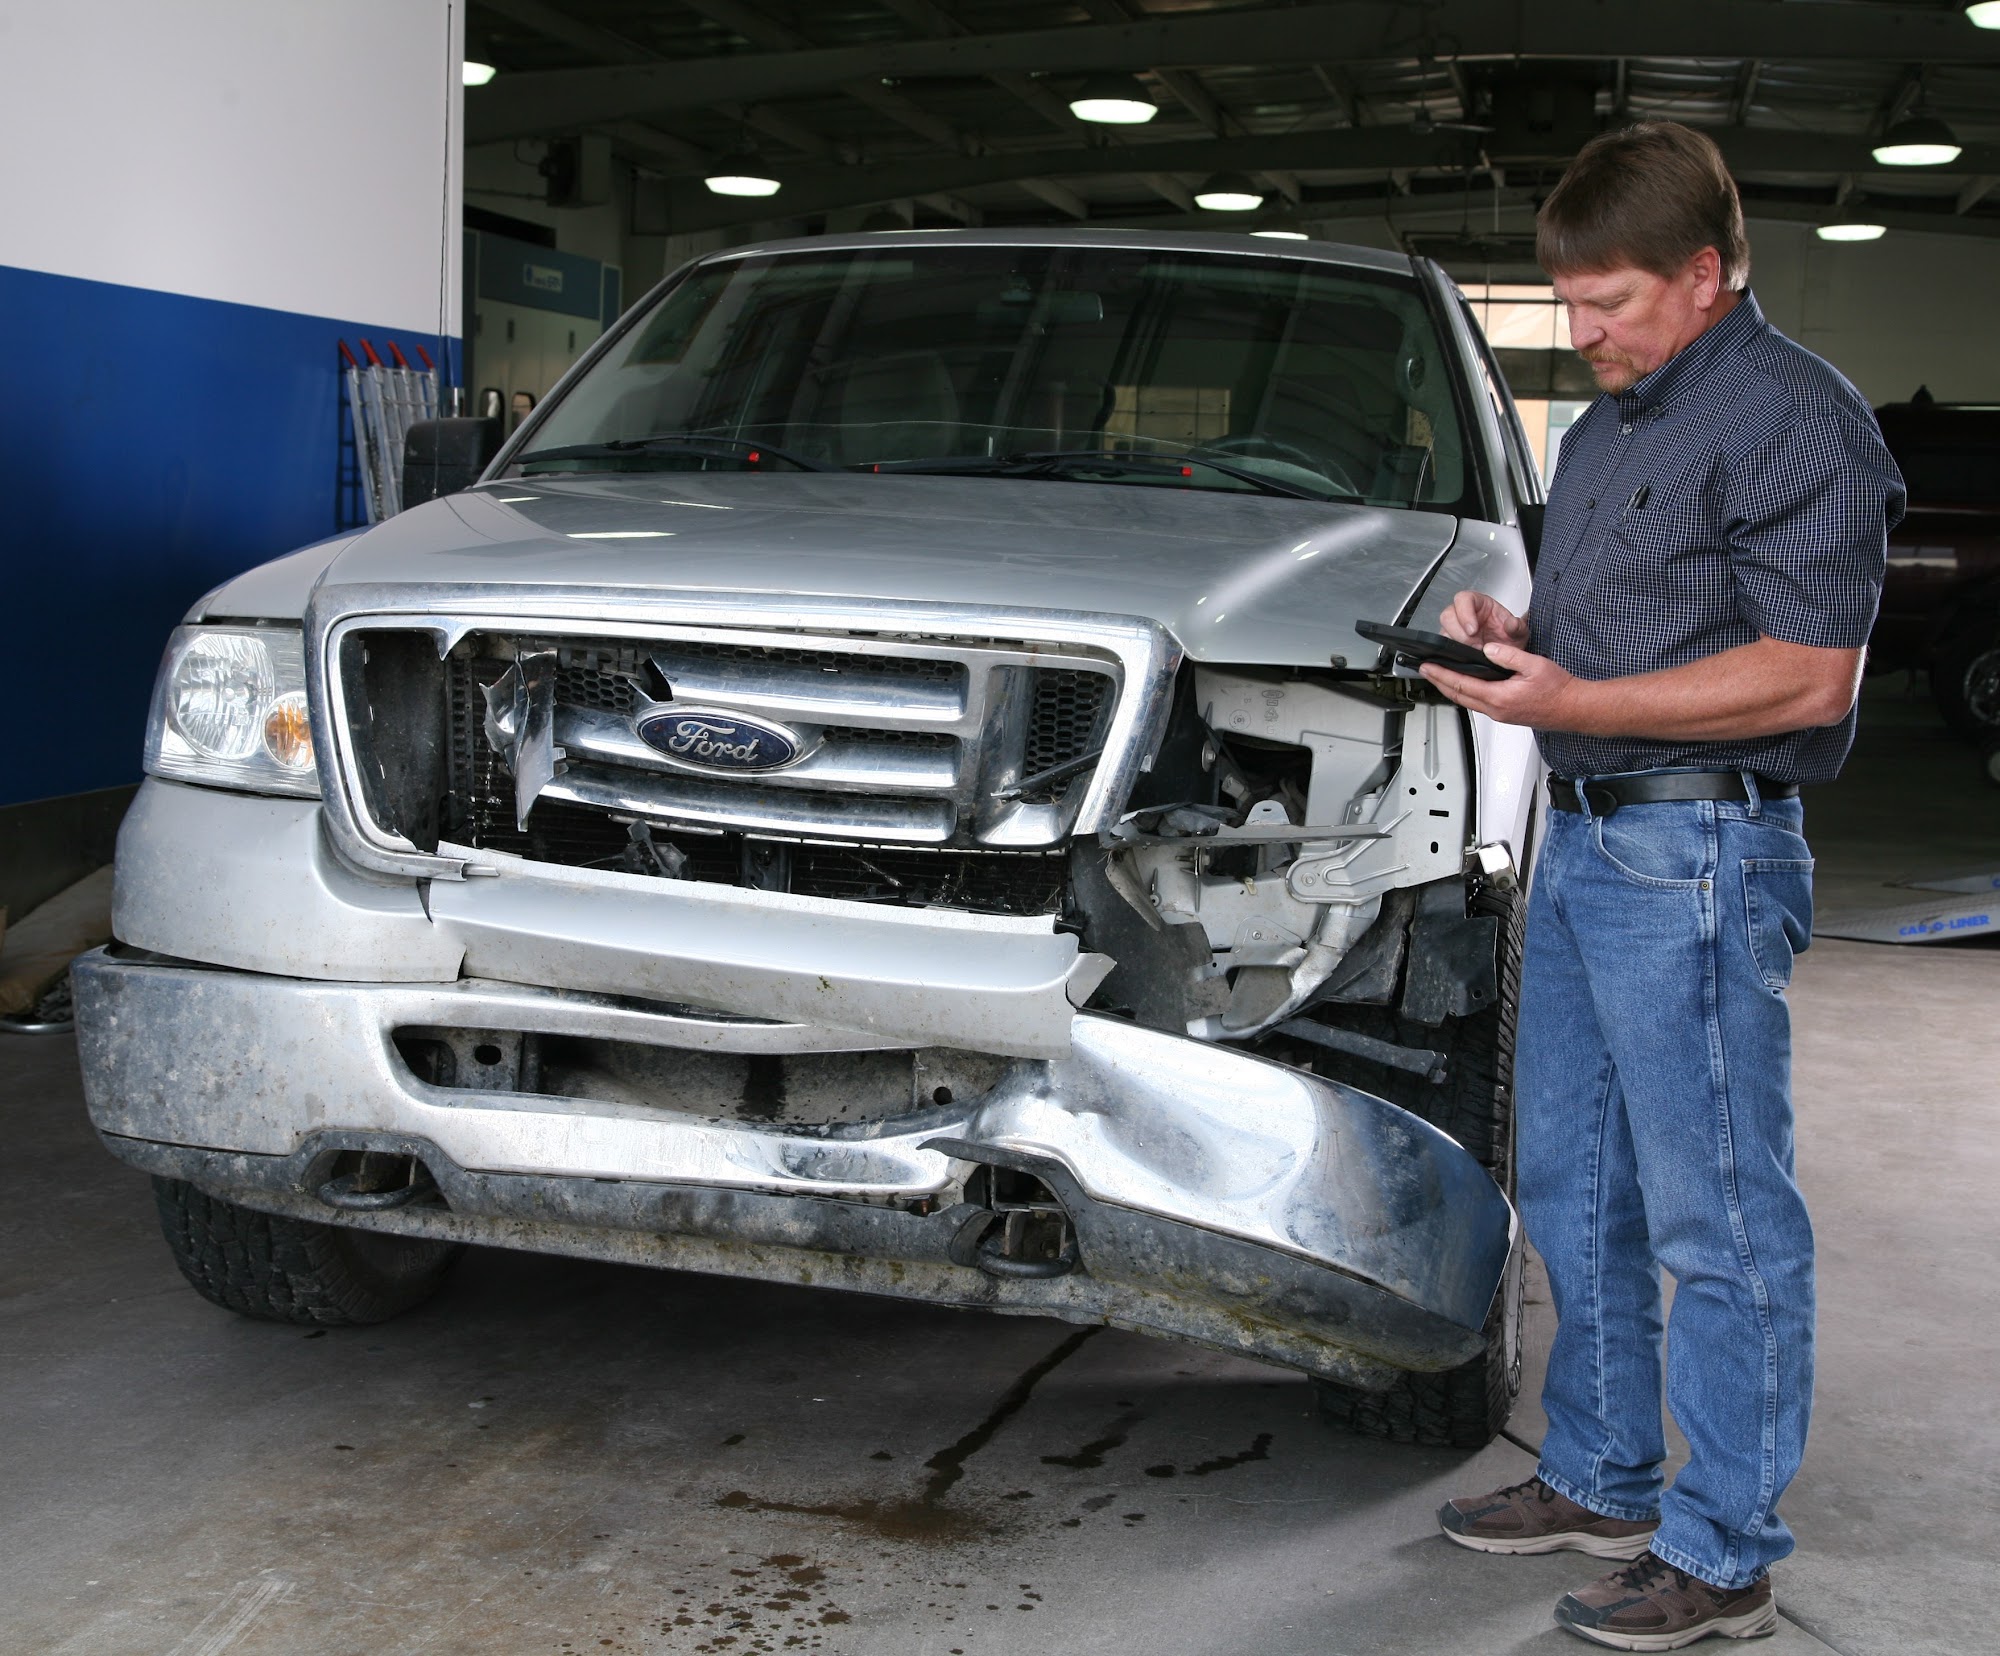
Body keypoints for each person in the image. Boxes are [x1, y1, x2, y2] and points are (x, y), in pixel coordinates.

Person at [1424, 122, 1904, 1650]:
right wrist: (1521, 639)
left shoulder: (1801, 421)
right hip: (1585, 840)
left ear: (1704, 274)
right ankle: (1601, 1474)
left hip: (1696, 853)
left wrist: (1574, 699)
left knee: (1720, 1218)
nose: (1584, 332)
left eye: (1611, 302)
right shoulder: (1606, 430)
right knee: (1575, 1186)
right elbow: (1627, 629)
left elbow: (1809, 675)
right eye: (1568, 302)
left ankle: (1723, 1549)